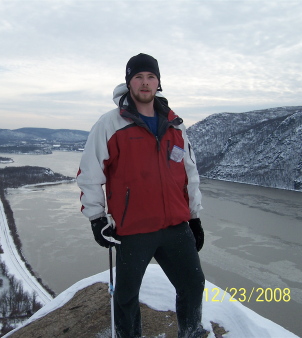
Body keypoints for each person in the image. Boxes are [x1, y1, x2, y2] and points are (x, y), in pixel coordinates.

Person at [76, 53, 207, 338]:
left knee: (193, 284)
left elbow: (190, 173)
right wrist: (97, 219)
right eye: (138, 77)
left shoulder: (175, 125)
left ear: (159, 83)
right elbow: (89, 174)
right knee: (126, 296)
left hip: (175, 225)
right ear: (129, 83)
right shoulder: (110, 124)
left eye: (150, 77)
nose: (145, 83)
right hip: (133, 229)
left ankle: (191, 331)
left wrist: (194, 217)